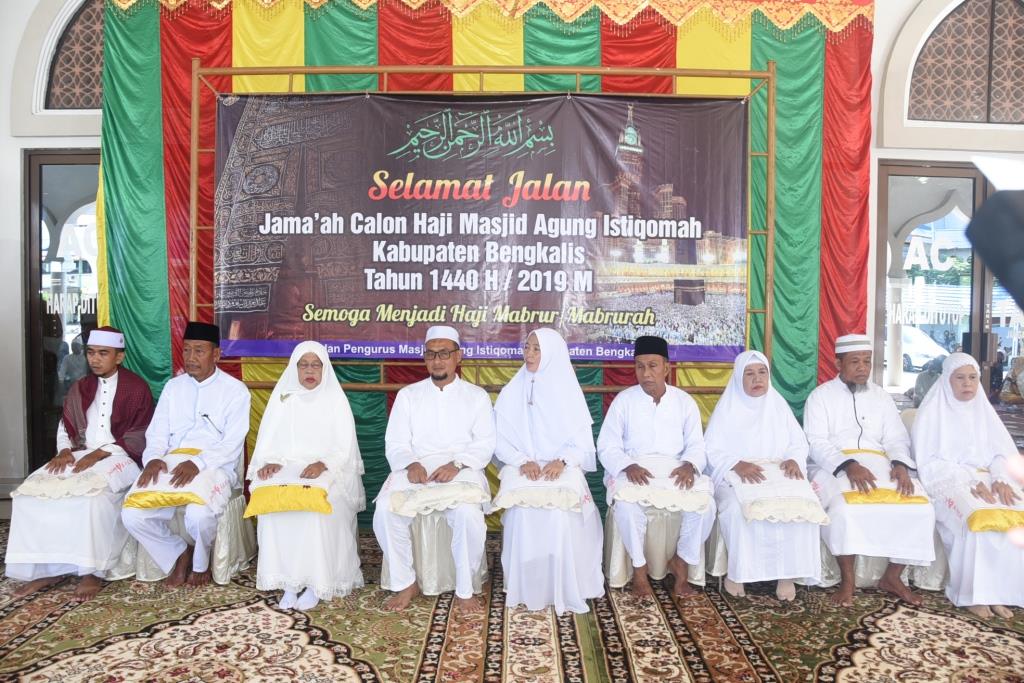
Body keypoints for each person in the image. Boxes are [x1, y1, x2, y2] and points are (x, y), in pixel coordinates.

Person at [6, 327, 154, 600]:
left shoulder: (137, 388)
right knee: (31, 494)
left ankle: (91, 571)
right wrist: (64, 451)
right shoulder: (80, 387)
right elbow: (66, 425)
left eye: (103, 353)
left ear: (119, 357)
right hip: (78, 453)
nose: (95, 359)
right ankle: (47, 568)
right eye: (91, 353)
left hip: (120, 456)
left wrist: (100, 454)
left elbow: (140, 434)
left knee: (91, 499)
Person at [804, 333, 935, 607]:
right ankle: (848, 582)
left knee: (920, 507)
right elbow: (816, 442)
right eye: (855, 362)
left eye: (867, 361)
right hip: (835, 466)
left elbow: (897, 438)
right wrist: (849, 465)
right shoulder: (820, 397)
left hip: (880, 463)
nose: (863, 367)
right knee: (845, 509)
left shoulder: (882, 398)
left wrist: (900, 465)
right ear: (837, 362)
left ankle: (892, 577)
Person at [374, 326, 494, 613]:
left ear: (458, 357)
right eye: (431, 354)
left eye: (444, 353)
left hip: (461, 468)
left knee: (467, 515)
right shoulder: (408, 395)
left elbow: (486, 443)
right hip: (415, 468)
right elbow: (396, 441)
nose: (437, 360)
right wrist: (410, 463)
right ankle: (406, 583)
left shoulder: (476, 396)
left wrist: (457, 464)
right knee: (386, 510)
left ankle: (465, 589)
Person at [121, 321, 251, 588]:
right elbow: (157, 432)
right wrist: (153, 458)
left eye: (199, 351)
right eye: (187, 350)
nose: (191, 358)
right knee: (132, 514)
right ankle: (178, 553)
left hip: (214, 464)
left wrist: (198, 462)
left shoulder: (235, 390)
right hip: (170, 462)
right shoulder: (173, 387)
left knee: (198, 514)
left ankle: (201, 564)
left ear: (216, 354)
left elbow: (232, 443)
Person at [246, 341, 365, 611]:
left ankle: (315, 583)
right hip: (288, 467)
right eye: (303, 365)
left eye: (315, 365)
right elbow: (268, 441)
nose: (309, 370)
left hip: (329, 470)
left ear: (324, 369)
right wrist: (269, 462)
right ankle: (289, 581)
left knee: (315, 508)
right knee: (272, 503)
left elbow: (343, 448)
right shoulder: (284, 398)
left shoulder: (335, 399)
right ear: (294, 368)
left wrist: (323, 463)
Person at [493, 328, 604, 614]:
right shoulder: (512, 390)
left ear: (552, 354)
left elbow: (582, 445)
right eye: (527, 347)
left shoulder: (568, 391)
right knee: (523, 512)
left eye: (536, 349)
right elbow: (499, 440)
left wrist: (562, 460)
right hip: (524, 466)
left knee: (559, 511)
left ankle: (562, 583)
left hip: (560, 466)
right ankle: (527, 583)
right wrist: (520, 460)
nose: (528, 354)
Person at [597, 335, 714, 599]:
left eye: (652, 365)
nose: (646, 373)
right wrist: (627, 465)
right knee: (626, 506)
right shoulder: (624, 401)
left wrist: (690, 465)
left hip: (675, 469)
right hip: (634, 469)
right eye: (640, 366)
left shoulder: (684, 402)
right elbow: (607, 446)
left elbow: (697, 444)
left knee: (706, 505)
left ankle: (681, 562)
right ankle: (639, 571)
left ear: (666, 368)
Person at [705, 350, 826, 601]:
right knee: (737, 510)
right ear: (739, 378)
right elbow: (712, 450)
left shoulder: (777, 404)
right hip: (737, 475)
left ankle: (787, 574)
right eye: (749, 374)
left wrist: (793, 458)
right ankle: (738, 574)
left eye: (762, 373)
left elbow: (797, 442)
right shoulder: (727, 409)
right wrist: (736, 464)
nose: (756, 379)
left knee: (803, 507)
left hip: (778, 471)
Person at [912, 353, 1024, 618]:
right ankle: (974, 595)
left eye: (973, 378)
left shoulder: (983, 411)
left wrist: (999, 479)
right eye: (960, 378)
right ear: (947, 380)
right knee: (978, 521)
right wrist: (969, 481)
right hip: (949, 483)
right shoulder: (932, 413)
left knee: (1015, 516)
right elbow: (928, 462)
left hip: (989, 480)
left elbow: (1001, 453)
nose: (968, 384)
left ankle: (1003, 593)